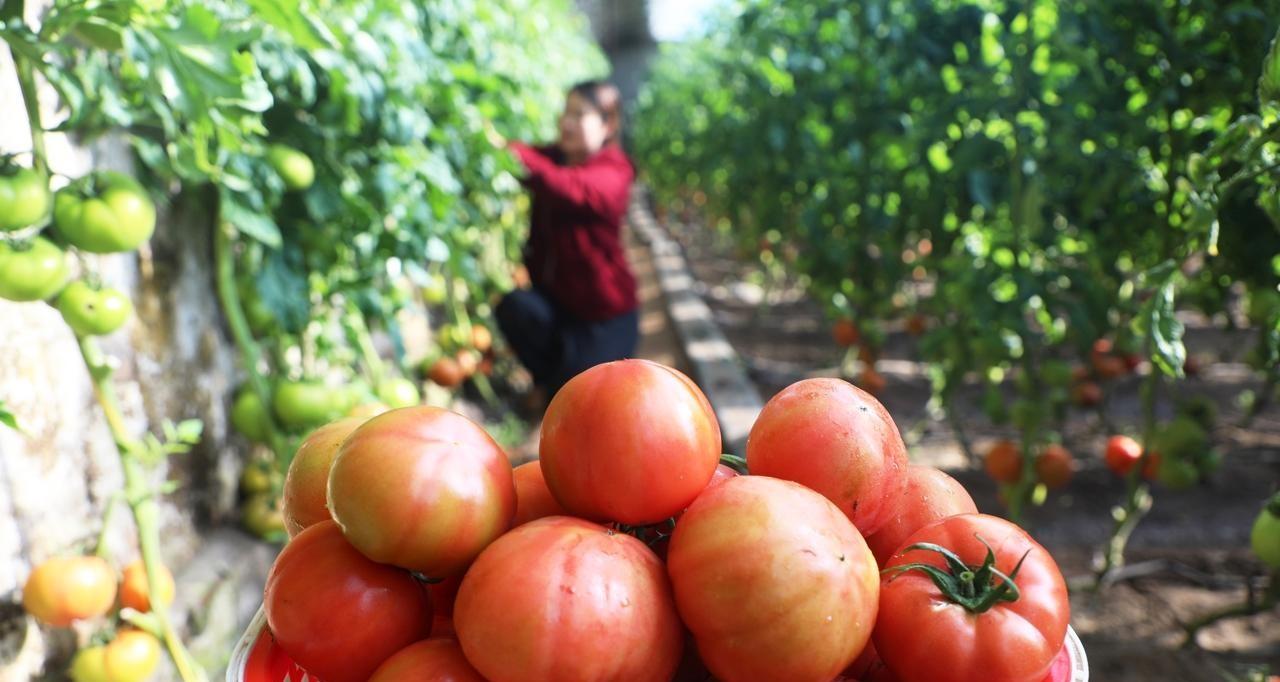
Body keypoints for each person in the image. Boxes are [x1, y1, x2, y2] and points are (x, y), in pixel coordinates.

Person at [491, 80, 639, 406]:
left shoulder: (614, 170)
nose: (566, 121)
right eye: (565, 112)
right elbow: (529, 157)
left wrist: (510, 154)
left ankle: (559, 387)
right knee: (514, 307)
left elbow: (569, 187)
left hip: (603, 318)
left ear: (608, 125)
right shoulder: (557, 157)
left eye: (579, 114)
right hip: (560, 306)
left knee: (591, 401)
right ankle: (548, 384)